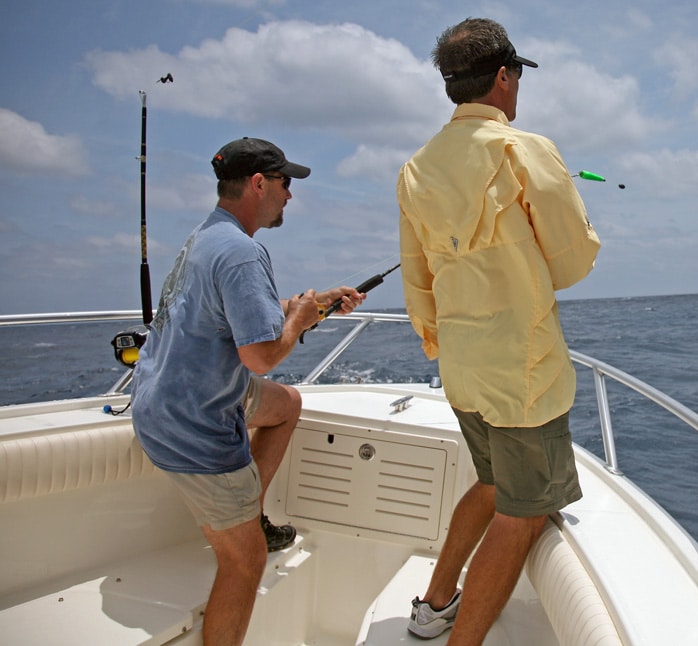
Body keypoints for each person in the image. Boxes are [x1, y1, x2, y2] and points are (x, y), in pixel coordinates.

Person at [397, 18, 601, 645]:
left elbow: (417, 281)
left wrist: (441, 345)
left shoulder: (414, 168)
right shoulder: (525, 149)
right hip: (523, 375)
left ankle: (434, 607)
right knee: (523, 511)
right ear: (506, 76)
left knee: (489, 484)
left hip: (462, 370)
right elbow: (572, 263)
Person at [131, 137, 364, 646]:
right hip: (193, 423)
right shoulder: (242, 251)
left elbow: (239, 312)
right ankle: (244, 531)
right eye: (285, 184)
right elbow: (259, 357)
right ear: (259, 184)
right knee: (246, 561)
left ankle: (247, 510)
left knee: (287, 405)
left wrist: (312, 303)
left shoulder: (207, 236)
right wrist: (300, 322)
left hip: (162, 399)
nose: (290, 196)